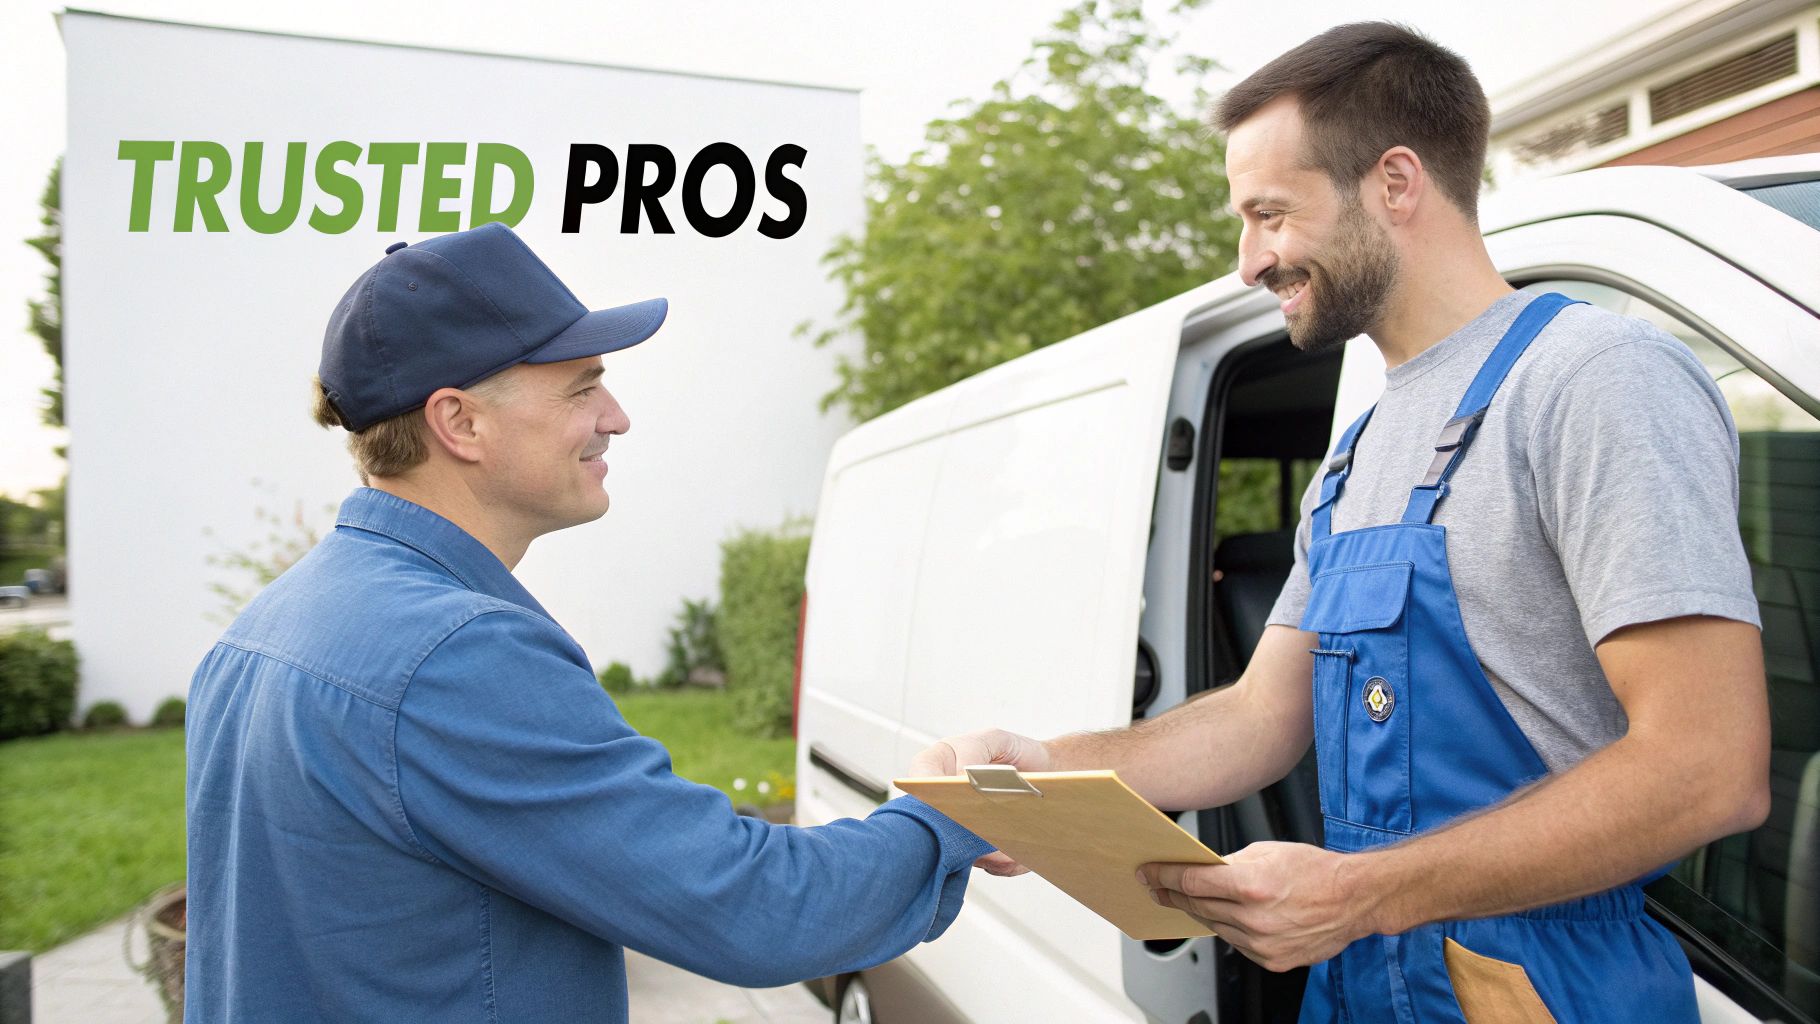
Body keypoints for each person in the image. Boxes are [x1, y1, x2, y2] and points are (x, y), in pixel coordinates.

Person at [914, 22, 1769, 1021]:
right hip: (1364, 981)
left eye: (1268, 214)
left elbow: (1707, 770)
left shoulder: (1592, 383)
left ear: (1394, 182)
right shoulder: (1360, 447)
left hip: (1546, 988)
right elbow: (1257, 716)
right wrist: (1046, 771)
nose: (1247, 261)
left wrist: (1359, 890)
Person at [185, 223, 991, 1023]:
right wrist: (955, 813)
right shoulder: (454, 657)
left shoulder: (261, 630)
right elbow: (757, 908)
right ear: (459, 422)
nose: (616, 417)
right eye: (581, 387)